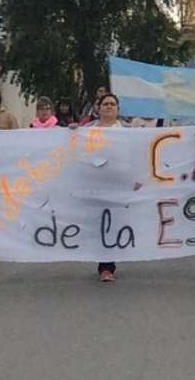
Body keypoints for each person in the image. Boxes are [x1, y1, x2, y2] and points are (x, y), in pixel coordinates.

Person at [85, 93, 125, 282]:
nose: (109, 107)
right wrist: (71, 131)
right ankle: (104, 264)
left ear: (118, 109)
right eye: (105, 104)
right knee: (99, 224)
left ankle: (108, 265)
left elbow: (136, 154)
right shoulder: (87, 130)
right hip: (94, 183)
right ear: (98, 108)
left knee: (113, 224)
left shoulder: (128, 131)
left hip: (118, 183)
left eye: (112, 104)